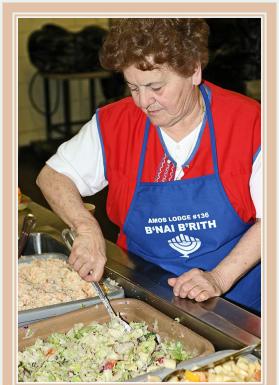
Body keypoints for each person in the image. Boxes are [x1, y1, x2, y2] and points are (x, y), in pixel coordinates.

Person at [37, 18, 261, 314]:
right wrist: (86, 227)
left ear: (193, 70)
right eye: (133, 88)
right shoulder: (114, 123)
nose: (144, 102)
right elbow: (52, 176)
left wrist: (218, 278)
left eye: (156, 87)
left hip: (238, 304)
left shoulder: (250, 123)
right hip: (143, 293)